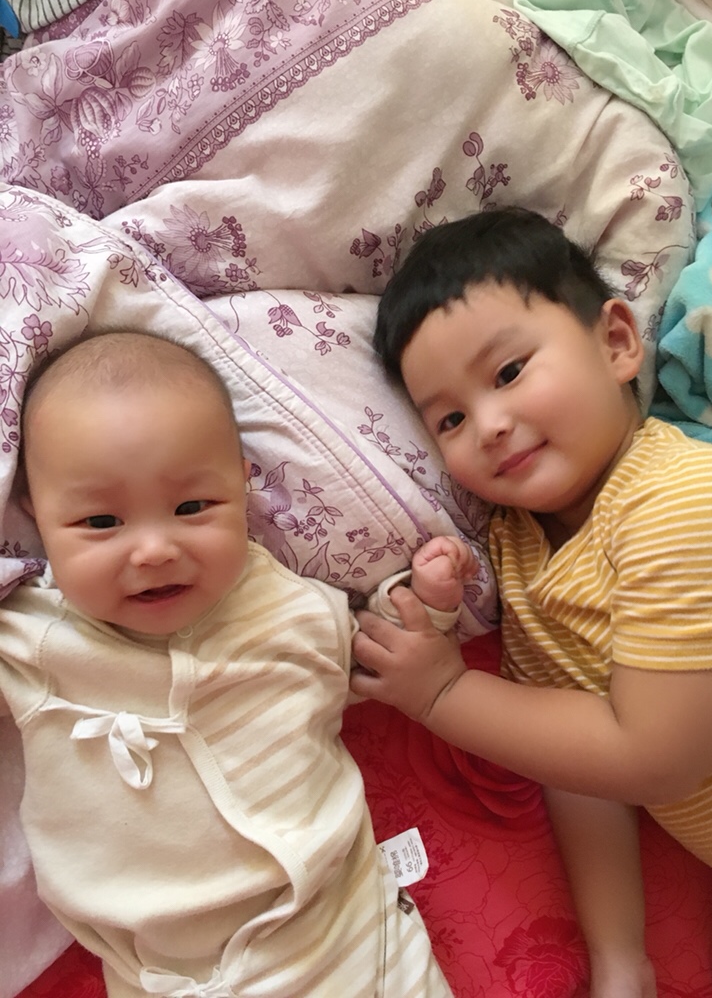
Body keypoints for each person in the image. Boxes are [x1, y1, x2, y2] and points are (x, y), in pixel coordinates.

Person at [350, 206, 712, 998]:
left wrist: (442, 693)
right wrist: (620, 961)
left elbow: (653, 757)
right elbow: (574, 763)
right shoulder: (519, 553)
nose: (490, 425)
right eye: (451, 419)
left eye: (508, 373)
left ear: (616, 343)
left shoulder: (688, 501)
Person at [0, 330, 473, 998]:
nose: (154, 550)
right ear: (36, 518)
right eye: (101, 522)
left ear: (244, 486)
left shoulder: (293, 609)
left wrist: (429, 605)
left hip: (350, 939)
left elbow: (381, 657)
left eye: (193, 508)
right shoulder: (35, 638)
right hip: (168, 978)